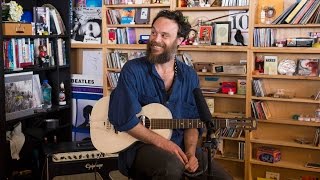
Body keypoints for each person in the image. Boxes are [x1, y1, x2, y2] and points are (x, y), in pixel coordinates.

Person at [108, 10, 233, 180]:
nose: (155, 39)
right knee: (171, 167)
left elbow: (193, 121)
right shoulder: (132, 70)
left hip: (181, 144)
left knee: (222, 178)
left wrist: (190, 153)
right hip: (141, 146)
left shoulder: (189, 76)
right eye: (154, 32)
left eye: (164, 35)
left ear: (179, 40)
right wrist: (164, 144)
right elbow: (126, 120)